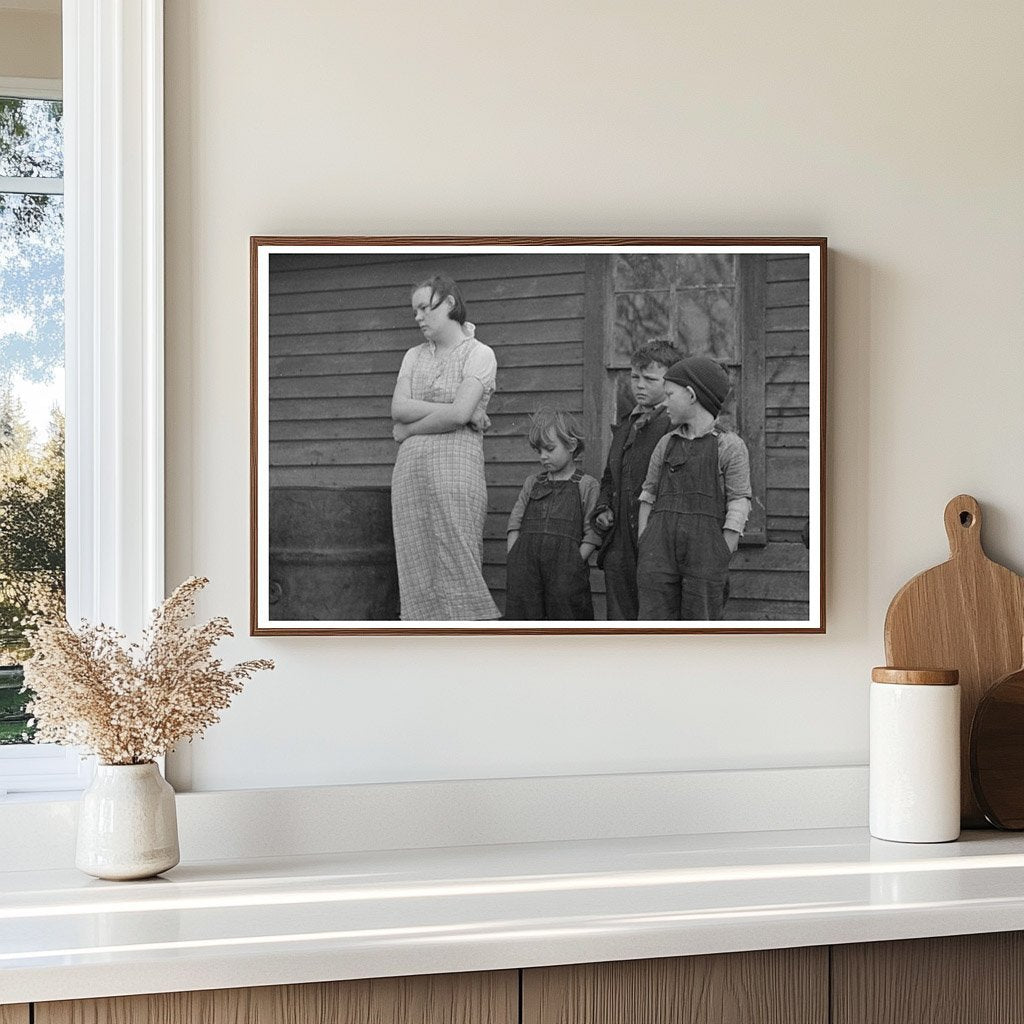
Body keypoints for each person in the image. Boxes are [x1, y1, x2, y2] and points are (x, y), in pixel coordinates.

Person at [390, 274, 499, 621]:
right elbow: (399, 408)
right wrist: (455, 412)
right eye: (415, 311)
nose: (418, 317)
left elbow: (460, 414)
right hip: (410, 477)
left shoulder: (480, 353)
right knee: (416, 565)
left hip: (456, 472)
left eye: (425, 307)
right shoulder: (412, 356)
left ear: (449, 303)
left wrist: (407, 431)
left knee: (459, 558)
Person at [636, 356, 752, 620]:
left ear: (690, 395)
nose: (664, 402)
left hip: (706, 559)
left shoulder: (729, 446)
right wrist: (645, 539)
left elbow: (739, 501)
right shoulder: (666, 443)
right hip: (658, 555)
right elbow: (648, 494)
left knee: (700, 633)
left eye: (670, 395)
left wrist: (724, 549)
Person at [591, 340, 679, 619]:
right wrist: (603, 509)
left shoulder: (674, 425)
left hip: (655, 544)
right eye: (634, 377)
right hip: (619, 546)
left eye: (650, 379)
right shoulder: (627, 424)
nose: (639, 385)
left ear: (670, 381)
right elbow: (609, 479)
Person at [504, 409, 603, 620]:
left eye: (549, 449)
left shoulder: (586, 485)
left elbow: (593, 532)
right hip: (526, 571)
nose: (543, 456)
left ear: (571, 445)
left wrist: (574, 563)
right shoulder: (532, 483)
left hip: (565, 575)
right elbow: (515, 522)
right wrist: (514, 557)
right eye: (538, 450)